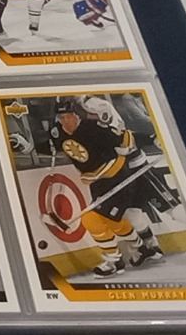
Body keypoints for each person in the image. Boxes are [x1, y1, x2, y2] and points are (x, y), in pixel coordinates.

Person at [51, 98, 179, 277]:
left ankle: (114, 262)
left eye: (69, 116)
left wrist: (153, 139)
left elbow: (124, 137)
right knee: (115, 220)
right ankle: (141, 248)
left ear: (76, 115)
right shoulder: (57, 132)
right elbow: (51, 145)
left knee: (91, 219)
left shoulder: (93, 129)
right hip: (98, 183)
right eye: (61, 117)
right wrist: (25, 146)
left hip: (117, 179)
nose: (66, 121)